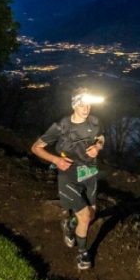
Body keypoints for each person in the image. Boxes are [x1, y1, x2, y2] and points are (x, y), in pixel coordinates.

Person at [31, 87, 106, 270]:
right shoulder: (61, 127)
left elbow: (101, 137)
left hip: (89, 172)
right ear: (74, 104)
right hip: (68, 175)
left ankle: (69, 225)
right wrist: (56, 160)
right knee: (86, 216)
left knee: (92, 215)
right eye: (82, 104)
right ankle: (82, 254)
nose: (86, 108)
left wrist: (98, 147)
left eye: (88, 104)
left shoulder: (95, 122)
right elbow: (35, 148)